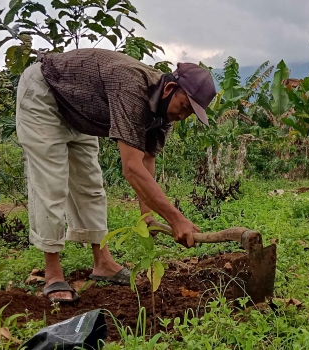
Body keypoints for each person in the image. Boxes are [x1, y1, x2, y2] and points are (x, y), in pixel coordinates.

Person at [15, 48, 217, 302]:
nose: (182, 116)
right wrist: (176, 219)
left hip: (79, 111)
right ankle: (53, 274)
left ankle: (103, 264)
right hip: (45, 93)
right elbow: (131, 168)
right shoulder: (133, 88)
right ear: (170, 89)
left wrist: (147, 216)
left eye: (190, 114)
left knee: (91, 186)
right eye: (184, 106)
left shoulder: (164, 113)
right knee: (52, 184)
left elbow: (146, 160)